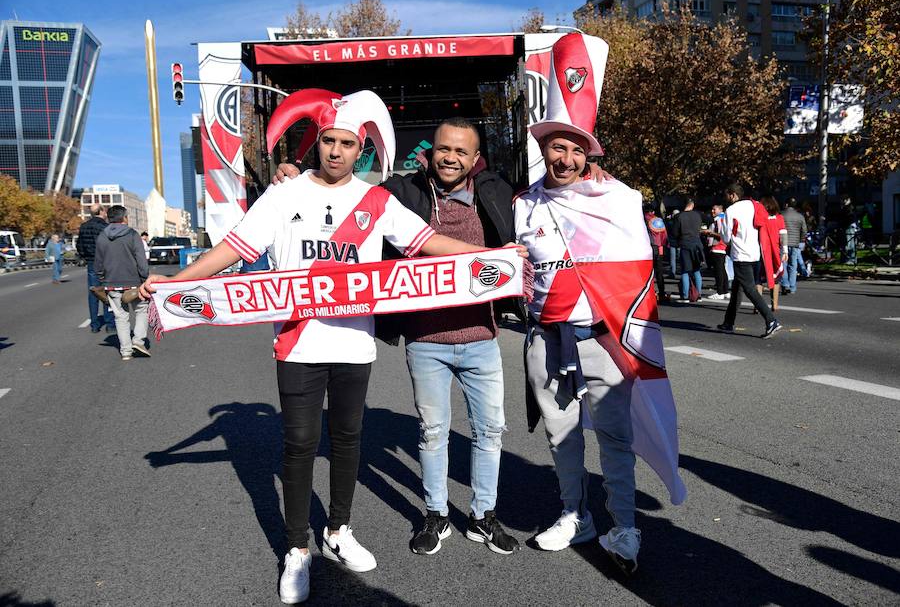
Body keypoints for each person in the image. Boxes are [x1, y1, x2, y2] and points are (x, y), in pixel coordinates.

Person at [140, 88, 526, 605]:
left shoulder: (375, 201)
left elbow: (428, 243)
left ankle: (339, 530)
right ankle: (296, 549)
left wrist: (495, 258)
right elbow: (234, 249)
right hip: (298, 342)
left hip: (354, 343)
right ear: (314, 143)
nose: (337, 151)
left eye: (348, 143)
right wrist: (175, 282)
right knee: (299, 446)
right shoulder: (283, 194)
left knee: (347, 442)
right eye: (328, 141)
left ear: (360, 150)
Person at [273, 119, 611, 558]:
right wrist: (293, 168)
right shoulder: (402, 191)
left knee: (490, 432)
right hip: (425, 340)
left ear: (475, 159)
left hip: (482, 338)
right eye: (443, 149)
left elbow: (554, 194)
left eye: (461, 152)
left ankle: (483, 516)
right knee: (433, 433)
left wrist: (592, 175)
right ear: (431, 152)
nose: (451, 158)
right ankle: (436, 516)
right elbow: (340, 183)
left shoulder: (496, 193)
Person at [516, 32, 686, 576]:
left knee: (615, 438)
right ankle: (574, 515)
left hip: (603, 340)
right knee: (561, 435)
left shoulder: (617, 200)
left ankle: (625, 525)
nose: (564, 158)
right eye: (555, 147)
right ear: (542, 150)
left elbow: (636, 271)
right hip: (545, 340)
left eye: (575, 149)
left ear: (589, 153)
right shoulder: (523, 203)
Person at [717, 184, 782, 338]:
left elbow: (725, 238)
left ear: (733, 195)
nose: (726, 199)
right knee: (736, 290)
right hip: (755, 253)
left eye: (727, 196)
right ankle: (728, 322)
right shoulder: (756, 205)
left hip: (741, 254)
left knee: (749, 289)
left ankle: (771, 321)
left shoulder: (731, 210)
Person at [94, 206, 150, 361]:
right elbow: (141, 260)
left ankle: (125, 351)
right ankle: (138, 341)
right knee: (141, 310)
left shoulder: (102, 236)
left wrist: (101, 277)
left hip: (111, 283)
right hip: (134, 282)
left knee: (120, 317)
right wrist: (144, 277)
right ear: (125, 218)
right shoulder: (132, 235)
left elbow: (97, 262)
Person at [76, 204, 114, 333]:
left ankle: (94, 324)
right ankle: (110, 323)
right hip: (106, 262)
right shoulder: (106, 227)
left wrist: (86, 257)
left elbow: (79, 246)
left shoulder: (84, 227)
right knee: (107, 292)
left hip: (92, 262)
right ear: (102, 212)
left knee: (93, 292)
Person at [671, 197, 704, 302]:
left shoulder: (679, 216)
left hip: (685, 243)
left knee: (685, 270)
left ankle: (685, 296)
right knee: (696, 270)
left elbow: (675, 232)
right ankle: (698, 295)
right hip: (697, 244)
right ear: (692, 204)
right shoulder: (698, 215)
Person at [758, 196, 787, 312]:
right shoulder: (779, 218)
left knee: (758, 278)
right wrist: (785, 251)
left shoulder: (760, 218)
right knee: (776, 278)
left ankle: (758, 305)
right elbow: (783, 235)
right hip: (775, 251)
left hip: (761, 251)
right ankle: (774, 304)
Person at [780, 199, 807, 295]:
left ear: (786, 204)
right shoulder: (800, 216)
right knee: (793, 265)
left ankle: (785, 284)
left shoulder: (781, 215)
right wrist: (801, 240)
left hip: (783, 242)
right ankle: (792, 287)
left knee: (783, 264)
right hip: (795, 243)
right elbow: (804, 230)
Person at [703, 203, 729, 300]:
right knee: (722, 270)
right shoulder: (723, 219)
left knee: (718, 271)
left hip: (718, 247)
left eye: (714, 209)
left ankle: (720, 292)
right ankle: (725, 291)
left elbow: (720, 234)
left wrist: (709, 232)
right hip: (721, 247)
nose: (712, 211)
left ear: (720, 209)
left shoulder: (719, 220)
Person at [645, 206, 670, 301]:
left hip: (649, 247)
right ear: (653, 211)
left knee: (647, 272)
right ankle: (662, 292)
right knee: (659, 272)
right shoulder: (659, 220)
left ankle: (649, 292)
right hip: (659, 247)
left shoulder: (643, 219)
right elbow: (664, 235)